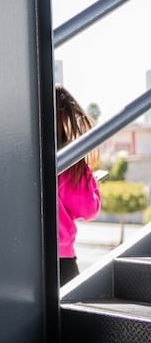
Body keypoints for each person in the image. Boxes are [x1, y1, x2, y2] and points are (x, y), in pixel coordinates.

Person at [55, 84, 101, 287]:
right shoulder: (70, 163)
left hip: (19, 257)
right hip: (61, 260)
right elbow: (89, 209)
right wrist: (91, 184)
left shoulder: (19, 157)